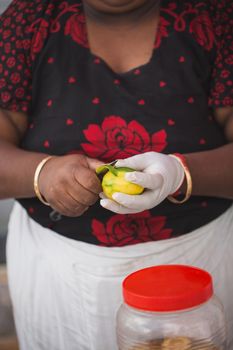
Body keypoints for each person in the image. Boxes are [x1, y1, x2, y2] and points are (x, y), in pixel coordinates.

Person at [0, 0, 232, 349]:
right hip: (60, 275)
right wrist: (42, 173)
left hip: (198, 266)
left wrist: (181, 172)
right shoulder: (30, 18)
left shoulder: (214, 16)